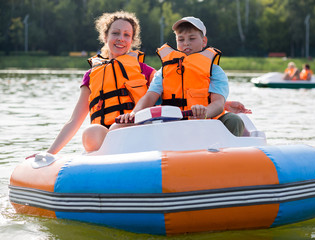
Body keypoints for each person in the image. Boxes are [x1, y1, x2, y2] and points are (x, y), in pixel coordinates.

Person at [45, 11, 156, 154]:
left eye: (126, 35)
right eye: (115, 33)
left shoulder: (145, 71)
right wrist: (49, 153)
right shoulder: (91, 75)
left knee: (117, 129)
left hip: (137, 130)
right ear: (105, 36)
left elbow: (163, 97)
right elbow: (74, 121)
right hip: (103, 138)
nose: (121, 38)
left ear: (132, 40)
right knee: (91, 132)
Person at [117, 16, 250, 137]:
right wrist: (134, 113)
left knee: (234, 120)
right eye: (181, 39)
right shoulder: (164, 71)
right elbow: (150, 96)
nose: (186, 43)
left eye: (192, 39)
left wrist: (204, 112)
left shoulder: (214, 71)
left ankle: (225, 157)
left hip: (208, 124)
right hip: (173, 125)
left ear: (204, 41)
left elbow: (218, 103)